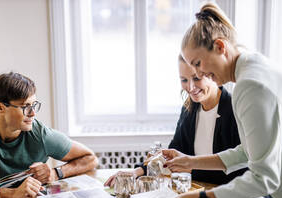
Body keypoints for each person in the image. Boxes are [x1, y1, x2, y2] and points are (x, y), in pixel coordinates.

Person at [159, 3, 282, 198]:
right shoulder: (252, 69)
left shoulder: (251, 85)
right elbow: (247, 150)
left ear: (219, 47)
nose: (199, 73)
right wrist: (191, 161)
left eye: (197, 63)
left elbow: (264, 178)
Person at [105, 54, 246, 187]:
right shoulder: (189, 109)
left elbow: (238, 169)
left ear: (214, 75)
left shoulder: (236, 110)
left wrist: (189, 167)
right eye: (184, 80)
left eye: (196, 78)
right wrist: (136, 172)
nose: (190, 88)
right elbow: (174, 153)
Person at [0, 72, 98, 198]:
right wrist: (12, 194)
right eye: (25, 107)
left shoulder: (41, 135)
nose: (33, 113)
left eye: (34, 105)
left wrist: (56, 173)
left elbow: (90, 159)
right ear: (0, 107)